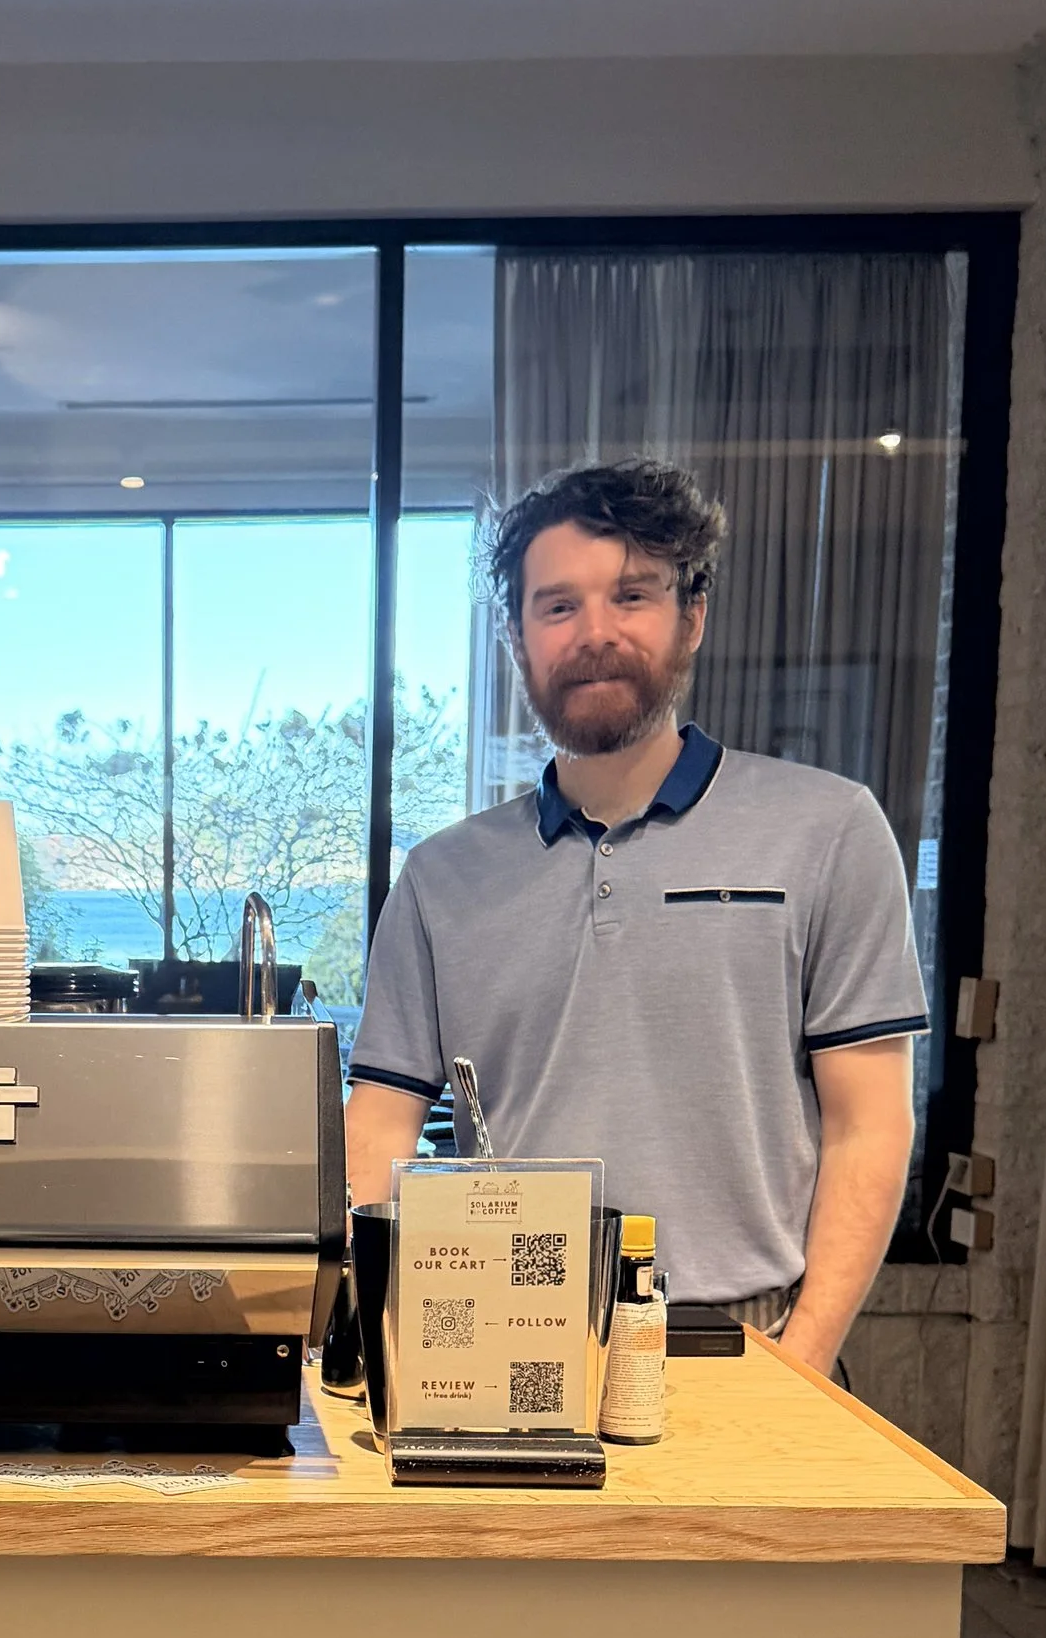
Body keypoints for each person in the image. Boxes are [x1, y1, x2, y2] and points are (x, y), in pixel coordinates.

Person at [346, 460, 926, 1375]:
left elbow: (869, 1123)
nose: (596, 633)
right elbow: (382, 1120)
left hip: (749, 1347)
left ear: (690, 617)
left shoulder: (828, 830)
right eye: (558, 605)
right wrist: (386, 1335)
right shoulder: (440, 878)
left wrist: (804, 1361)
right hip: (509, 1349)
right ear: (516, 636)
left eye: (632, 594)